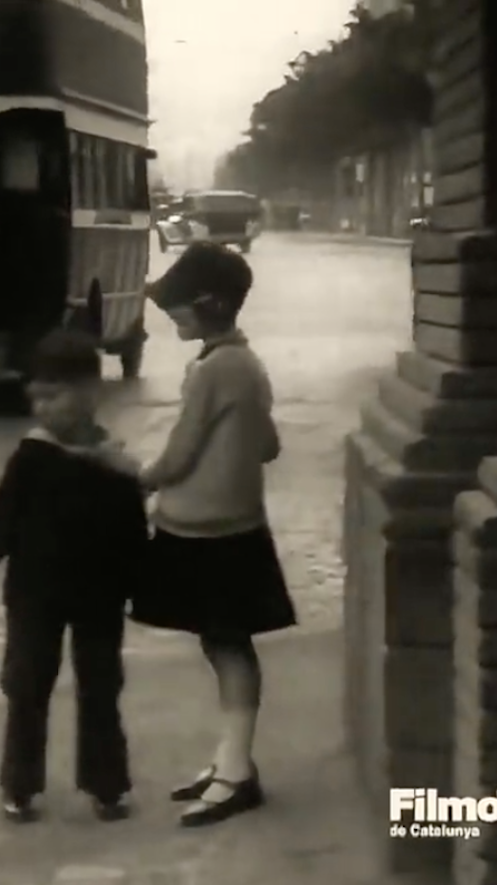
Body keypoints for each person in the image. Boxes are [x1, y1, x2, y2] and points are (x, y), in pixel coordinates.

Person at [0, 328, 148, 824]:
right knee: (27, 685)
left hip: (99, 592)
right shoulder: (32, 455)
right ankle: (20, 785)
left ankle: (107, 785)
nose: (43, 408)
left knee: (101, 685)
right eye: (37, 397)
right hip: (34, 592)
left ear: (90, 392)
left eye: (54, 396)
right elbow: (1, 516)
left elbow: (132, 527)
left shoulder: (113, 460)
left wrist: (142, 582)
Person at [134, 241, 297, 828]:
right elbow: (269, 445)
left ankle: (236, 771)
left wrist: (136, 481)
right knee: (222, 641)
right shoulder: (245, 363)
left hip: (207, 530)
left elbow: (179, 454)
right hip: (235, 523)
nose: (170, 315)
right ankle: (232, 759)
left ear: (210, 304)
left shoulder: (212, 369)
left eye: (178, 305)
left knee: (227, 645)